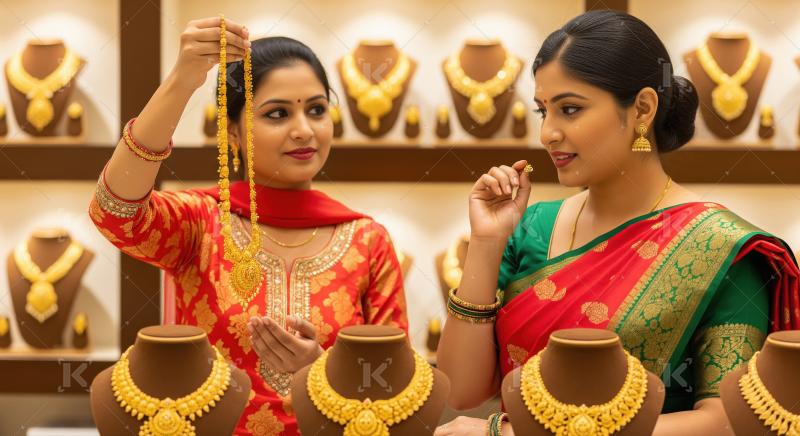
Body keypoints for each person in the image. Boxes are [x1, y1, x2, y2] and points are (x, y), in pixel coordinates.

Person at [435, 10, 799, 436]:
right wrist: (485, 241)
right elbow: (460, 391)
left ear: (642, 108)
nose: (547, 133)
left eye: (570, 109)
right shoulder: (531, 226)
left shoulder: (720, 249)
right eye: (542, 112)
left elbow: (726, 422)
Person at [89, 17, 407, 435]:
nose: (303, 130)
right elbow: (115, 211)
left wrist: (320, 372)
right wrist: (183, 79)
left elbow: (398, 390)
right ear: (234, 132)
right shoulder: (200, 223)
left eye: (316, 109)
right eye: (277, 114)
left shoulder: (367, 241)